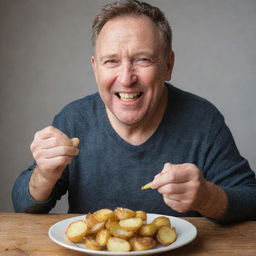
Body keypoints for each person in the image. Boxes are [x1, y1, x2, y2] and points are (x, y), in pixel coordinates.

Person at [12, 0, 256, 224]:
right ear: (96, 69)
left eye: (143, 60)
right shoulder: (74, 119)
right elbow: (23, 206)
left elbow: (250, 198)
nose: (126, 78)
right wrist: (44, 175)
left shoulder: (203, 120)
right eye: (111, 61)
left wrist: (208, 198)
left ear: (168, 66)